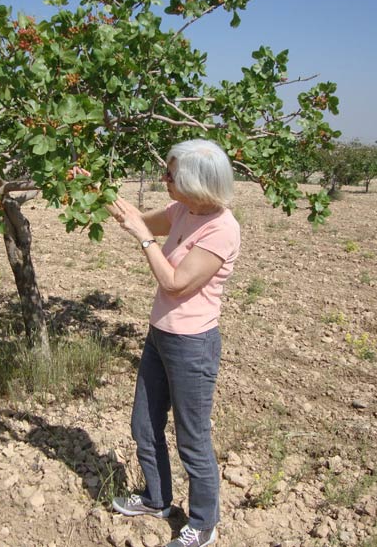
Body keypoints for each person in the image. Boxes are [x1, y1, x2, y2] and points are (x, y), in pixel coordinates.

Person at [108, 139, 241, 547]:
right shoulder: (183, 209)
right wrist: (95, 190)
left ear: (195, 184)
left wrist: (145, 240)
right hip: (160, 335)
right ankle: (157, 498)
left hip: (192, 344)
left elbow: (175, 283)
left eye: (170, 175)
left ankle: (203, 523)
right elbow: (133, 217)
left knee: (192, 437)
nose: (163, 179)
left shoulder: (222, 230)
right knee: (143, 425)